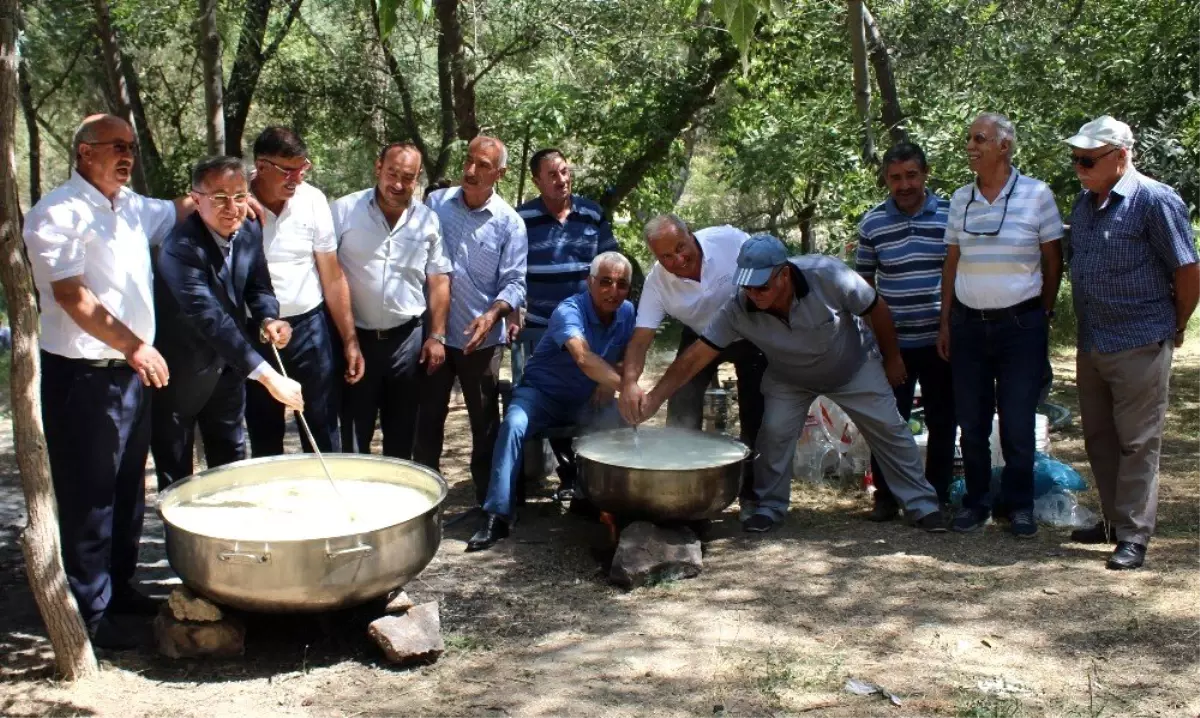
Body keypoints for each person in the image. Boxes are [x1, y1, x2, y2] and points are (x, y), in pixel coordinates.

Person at [630, 235, 945, 534]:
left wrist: (892, 359)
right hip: (790, 378)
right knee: (774, 435)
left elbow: (876, 307)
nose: (754, 294)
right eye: (748, 286)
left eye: (762, 286)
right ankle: (769, 506)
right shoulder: (738, 307)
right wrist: (655, 398)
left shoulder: (828, 275)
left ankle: (922, 505)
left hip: (853, 367)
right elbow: (694, 357)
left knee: (891, 428)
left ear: (784, 274)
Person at [23, 114, 190, 648]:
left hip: (131, 376)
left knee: (126, 491)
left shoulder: (131, 207)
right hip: (85, 378)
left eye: (132, 147)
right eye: (116, 146)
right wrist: (134, 346)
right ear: (83, 152)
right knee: (89, 495)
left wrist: (231, 194)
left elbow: (181, 209)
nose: (128, 156)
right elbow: (73, 297)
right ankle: (90, 614)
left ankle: (120, 589)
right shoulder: (57, 213)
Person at [1064, 116, 1199, 569]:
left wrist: (1174, 325)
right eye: (1076, 158)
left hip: (1140, 338)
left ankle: (1135, 536)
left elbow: (1187, 270)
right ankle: (1112, 522)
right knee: (1099, 437)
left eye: (1087, 159)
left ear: (1121, 156)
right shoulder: (1084, 205)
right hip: (1093, 341)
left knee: (1138, 441)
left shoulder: (1154, 200)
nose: (1079, 166)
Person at [937, 113, 1064, 538]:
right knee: (970, 422)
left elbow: (1052, 259)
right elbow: (951, 262)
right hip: (969, 327)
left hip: (1020, 328)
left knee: (1017, 420)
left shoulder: (1037, 195)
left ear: (1004, 146)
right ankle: (977, 504)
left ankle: (1020, 506)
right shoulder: (960, 199)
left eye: (979, 139)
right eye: (969, 139)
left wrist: (1040, 313)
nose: (970, 146)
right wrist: (946, 323)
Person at [151, 156, 304, 490]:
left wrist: (268, 318)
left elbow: (258, 285)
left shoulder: (249, 228)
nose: (232, 207)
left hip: (229, 376)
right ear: (196, 199)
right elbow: (211, 320)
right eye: (219, 198)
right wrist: (270, 378)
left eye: (239, 196)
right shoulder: (180, 247)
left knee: (231, 471)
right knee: (177, 480)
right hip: (180, 377)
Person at [467, 252, 635, 551]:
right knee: (513, 426)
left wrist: (610, 382)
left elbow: (629, 354)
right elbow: (582, 356)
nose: (613, 291)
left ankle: (600, 500)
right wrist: (627, 386)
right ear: (590, 282)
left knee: (622, 425)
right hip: (541, 395)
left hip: (586, 398)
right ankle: (497, 515)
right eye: (605, 282)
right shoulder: (568, 311)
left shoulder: (627, 313)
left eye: (621, 284)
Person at [618, 214, 767, 517]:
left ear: (689, 232)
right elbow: (640, 340)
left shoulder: (729, 240)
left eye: (681, 247)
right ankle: (681, 485)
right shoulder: (657, 282)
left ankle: (753, 494)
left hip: (750, 332)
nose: (678, 259)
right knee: (682, 401)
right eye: (666, 256)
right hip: (699, 333)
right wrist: (630, 382)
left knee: (757, 409)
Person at [416, 136, 527, 504]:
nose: (470, 171)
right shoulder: (436, 204)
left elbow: (514, 282)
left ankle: (489, 500)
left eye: (482, 165)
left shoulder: (509, 223)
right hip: (434, 334)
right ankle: (424, 498)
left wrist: (493, 315)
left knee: (485, 424)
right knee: (427, 420)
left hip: (481, 340)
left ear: (500, 173)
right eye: (468, 161)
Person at [245, 127, 361, 456]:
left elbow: (332, 275)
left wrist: (349, 339)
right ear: (261, 167)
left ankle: (327, 502)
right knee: (264, 433)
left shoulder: (312, 201)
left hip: (309, 330)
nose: (296, 178)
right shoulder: (237, 203)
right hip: (257, 332)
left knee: (322, 428)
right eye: (287, 170)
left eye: (302, 167)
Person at [331, 142, 452, 457]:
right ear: (378, 168)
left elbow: (438, 279)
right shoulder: (343, 211)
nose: (398, 184)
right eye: (392, 173)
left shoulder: (428, 220)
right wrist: (346, 340)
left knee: (401, 437)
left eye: (407, 177)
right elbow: (325, 273)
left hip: (407, 344)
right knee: (355, 438)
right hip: (355, 343)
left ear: (417, 178)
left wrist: (437, 335)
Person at [856, 142, 955, 520]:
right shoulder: (872, 223)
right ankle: (885, 495)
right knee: (888, 422)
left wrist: (951, 326)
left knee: (943, 418)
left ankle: (938, 493)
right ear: (886, 180)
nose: (904, 184)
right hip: (891, 343)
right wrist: (878, 344)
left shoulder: (950, 216)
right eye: (895, 177)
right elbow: (862, 288)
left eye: (911, 175)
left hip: (941, 340)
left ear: (925, 173)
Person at [511, 148, 619, 499]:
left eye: (565, 172)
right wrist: (515, 309)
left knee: (594, 399)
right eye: (553, 174)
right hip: (541, 331)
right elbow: (511, 270)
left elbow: (610, 266)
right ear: (537, 180)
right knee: (550, 394)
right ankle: (569, 470)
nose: (562, 180)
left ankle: (591, 479)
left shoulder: (591, 214)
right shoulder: (522, 218)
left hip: (589, 331)